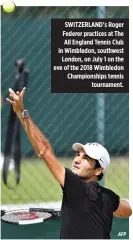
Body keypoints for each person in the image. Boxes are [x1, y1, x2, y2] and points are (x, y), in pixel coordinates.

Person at [6, 87, 132, 239]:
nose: (77, 159)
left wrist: (22, 113)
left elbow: (45, 152)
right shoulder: (109, 197)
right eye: (78, 154)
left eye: (86, 158)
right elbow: (127, 211)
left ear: (98, 170)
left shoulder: (76, 187)